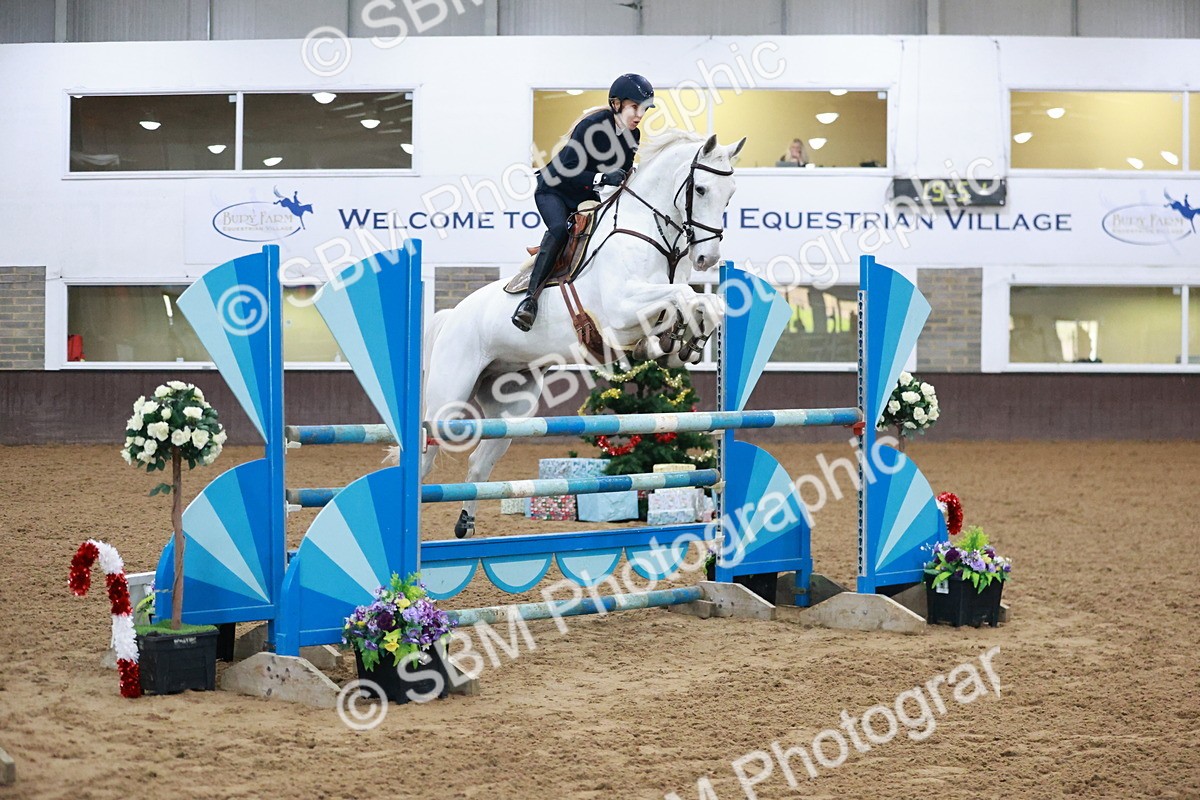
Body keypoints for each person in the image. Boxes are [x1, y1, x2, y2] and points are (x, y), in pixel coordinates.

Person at [511, 73, 655, 331]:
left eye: (643, 109)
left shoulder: (634, 136)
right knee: (558, 230)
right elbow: (568, 170)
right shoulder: (592, 126)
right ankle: (529, 301)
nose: (639, 114)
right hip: (554, 189)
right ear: (616, 104)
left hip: (585, 196)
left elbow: (623, 176)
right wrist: (602, 176)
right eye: (635, 107)